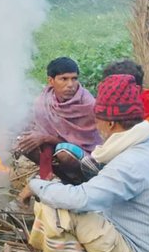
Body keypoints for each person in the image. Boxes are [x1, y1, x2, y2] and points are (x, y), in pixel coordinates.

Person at [25, 74, 149, 252]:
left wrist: (38, 186)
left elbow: (82, 199)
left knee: (56, 208)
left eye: (98, 119)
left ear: (110, 123)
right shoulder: (142, 143)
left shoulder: (131, 162)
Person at [15, 57, 101, 185]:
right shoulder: (43, 101)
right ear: (51, 81)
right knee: (25, 143)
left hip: (89, 156)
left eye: (74, 78)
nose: (70, 85)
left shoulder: (88, 105)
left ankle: (82, 180)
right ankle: (60, 177)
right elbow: (38, 130)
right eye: (64, 79)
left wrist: (46, 138)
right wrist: (37, 138)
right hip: (55, 146)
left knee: (65, 152)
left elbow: (81, 144)